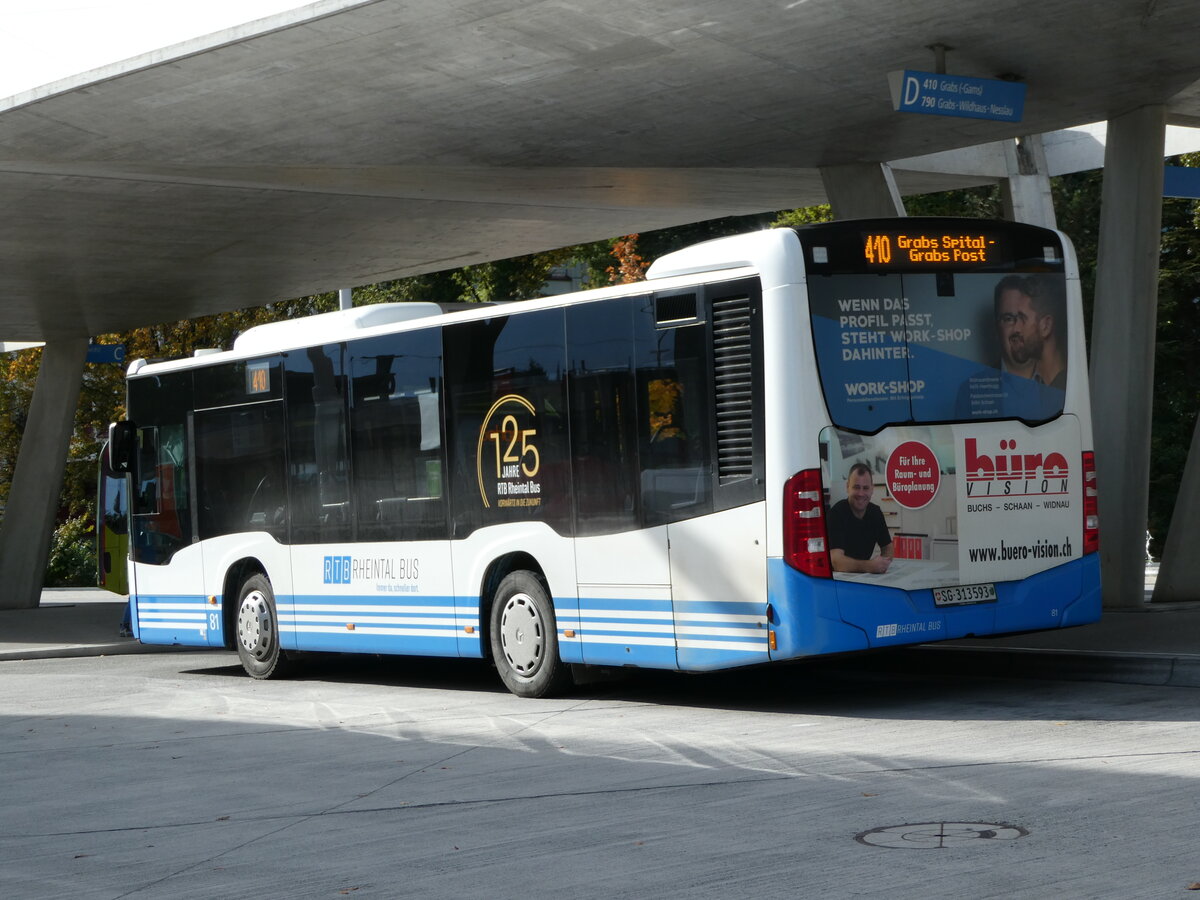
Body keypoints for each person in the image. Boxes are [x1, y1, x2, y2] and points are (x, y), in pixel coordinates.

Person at [828, 463, 893, 574]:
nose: (861, 493)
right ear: (847, 487)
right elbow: (836, 561)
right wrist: (869, 566)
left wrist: (884, 563)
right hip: (839, 581)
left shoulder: (875, 512)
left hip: (864, 578)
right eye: (856, 487)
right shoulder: (836, 514)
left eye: (865, 488)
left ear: (872, 489)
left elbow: (887, 547)